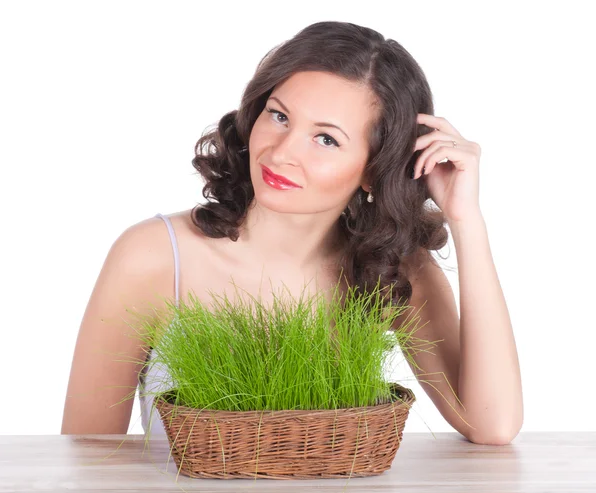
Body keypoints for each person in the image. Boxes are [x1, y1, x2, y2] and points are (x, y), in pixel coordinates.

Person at [61, 21, 523, 444]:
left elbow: (492, 425)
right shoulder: (152, 257)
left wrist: (468, 221)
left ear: (374, 169)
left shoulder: (392, 271)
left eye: (326, 139)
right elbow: (86, 453)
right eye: (279, 116)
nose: (280, 153)